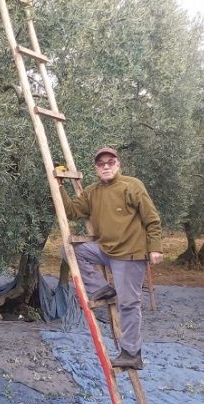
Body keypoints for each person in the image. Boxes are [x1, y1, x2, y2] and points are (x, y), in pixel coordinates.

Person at [58, 147, 163, 370]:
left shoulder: (132, 185)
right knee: (71, 251)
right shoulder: (92, 191)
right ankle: (101, 288)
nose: (106, 166)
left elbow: (152, 218)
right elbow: (71, 211)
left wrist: (155, 248)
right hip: (106, 250)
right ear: (96, 169)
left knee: (128, 304)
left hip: (130, 254)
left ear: (118, 165)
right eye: (101, 163)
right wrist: (58, 185)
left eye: (110, 162)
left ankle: (131, 353)